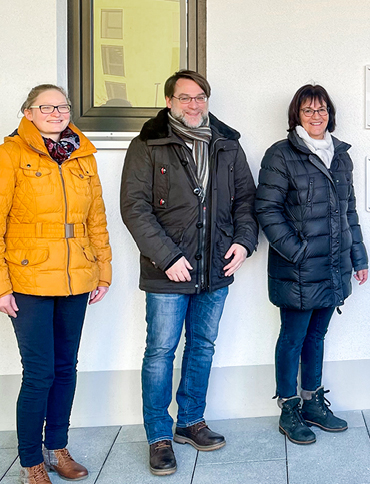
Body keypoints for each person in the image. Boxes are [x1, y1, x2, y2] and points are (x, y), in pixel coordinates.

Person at [120, 70, 258, 475]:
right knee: (161, 352)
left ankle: (190, 422)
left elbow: (246, 200)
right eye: (184, 98)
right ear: (169, 102)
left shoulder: (227, 144)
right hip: (168, 272)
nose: (193, 105)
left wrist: (244, 241)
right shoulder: (147, 144)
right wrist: (167, 257)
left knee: (202, 346)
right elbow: (135, 208)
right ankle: (159, 435)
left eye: (200, 97)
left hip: (216, 268)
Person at [0, 84, 111, 484]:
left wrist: (103, 270)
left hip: (76, 275)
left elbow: (95, 218)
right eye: (45, 106)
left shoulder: (83, 153)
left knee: (66, 368)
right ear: (28, 112)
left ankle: (57, 447)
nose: (55, 112)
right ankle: (31, 458)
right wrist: (1, 284)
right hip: (28, 276)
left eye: (61, 106)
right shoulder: (11, 153)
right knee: (39, 372)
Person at [255, 84, 368, 445]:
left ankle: (312, 402)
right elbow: (266, 209)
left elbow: (348, 209)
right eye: (308, 110)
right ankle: (289, 408)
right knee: (292, 337)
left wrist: (358, 256)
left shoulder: (341, 155)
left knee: (317, 335)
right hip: (299, 267)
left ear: (330, 114)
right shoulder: (281, 155)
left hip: (334, 265)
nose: (317, 116)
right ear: (296, 116)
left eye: (322, 110)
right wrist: (297, 251)